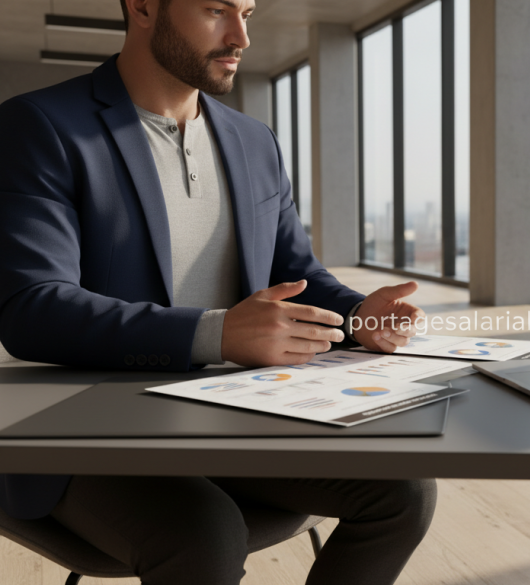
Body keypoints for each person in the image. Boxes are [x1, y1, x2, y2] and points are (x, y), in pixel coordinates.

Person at [0, 1, 435, 583]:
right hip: (94, 434)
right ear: (144, 7)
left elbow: (297, 272)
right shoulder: (41, 126)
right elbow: (33, 309)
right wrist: (216, 332)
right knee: (206, 533)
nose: (242, 36)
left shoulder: (255, 142)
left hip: (238, 417)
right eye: (216, 10)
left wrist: (357, 315)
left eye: (248, 13)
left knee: (405, 490)